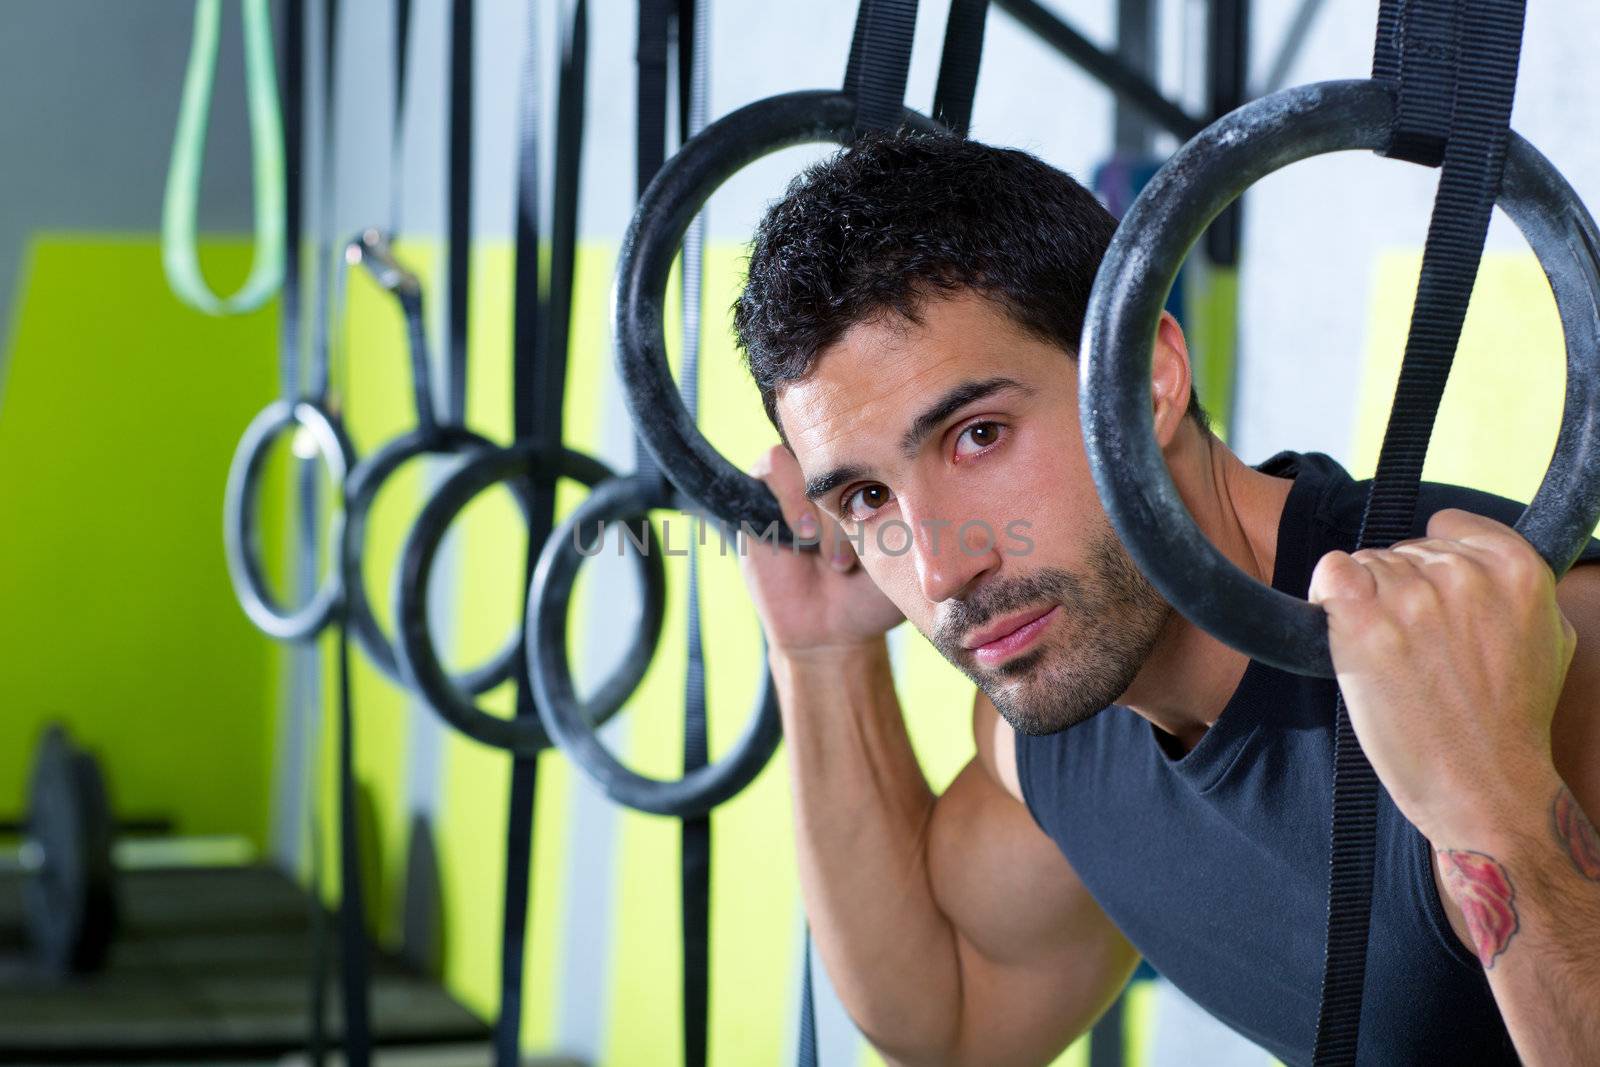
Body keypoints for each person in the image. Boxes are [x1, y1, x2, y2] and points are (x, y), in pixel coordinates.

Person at [731, 132, 1600, 1065]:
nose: (942, 572)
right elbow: (953, 1017)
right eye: (866, 498)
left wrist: (1504, 813)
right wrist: (821, 659)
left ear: (1147, 379)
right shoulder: (1057, 730)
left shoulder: (1543, 647)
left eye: (978, 435)